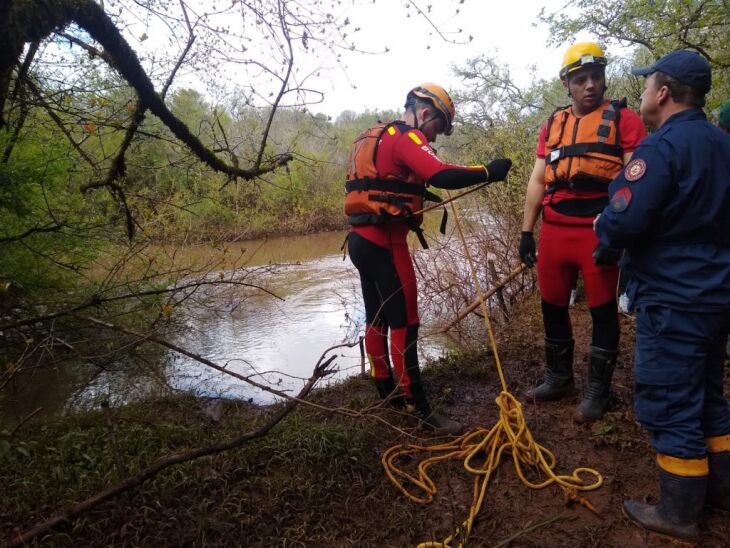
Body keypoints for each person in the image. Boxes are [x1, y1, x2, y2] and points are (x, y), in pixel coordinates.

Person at [594, 49, 730, 541]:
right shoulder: (723, 143)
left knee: (672, 401)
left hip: (674, 300)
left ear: (664, 92)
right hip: (718, 299)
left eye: (648, 85)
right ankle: (721, 493)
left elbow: (625, 220)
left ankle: (678, 514)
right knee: (708, 396)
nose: (644, 93)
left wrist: (602, 226)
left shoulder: (661, 148)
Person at [345, 83, 512, 436]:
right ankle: (419, 408)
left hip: (360, 241)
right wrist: (488, 171)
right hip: (386, 243)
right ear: (425, 113)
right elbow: (441, 174)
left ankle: (384, 390)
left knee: (377, 317)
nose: (436, 136)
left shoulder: (372, 135)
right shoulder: (406, 137)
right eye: (439, 126)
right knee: (406, 322)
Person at [518, 42, 647, 422]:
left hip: (597, 230)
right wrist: (527, 232)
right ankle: (559, 379)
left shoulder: (626, 121)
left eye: (596, 77)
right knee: (552, 305)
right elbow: (538, 180)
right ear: (567, 84)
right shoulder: (552, 125)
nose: (590, 85)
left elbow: (634, 183)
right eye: (580, 79)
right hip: (555, 231)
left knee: (603, 311)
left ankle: (598, 392)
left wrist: (616, 237)